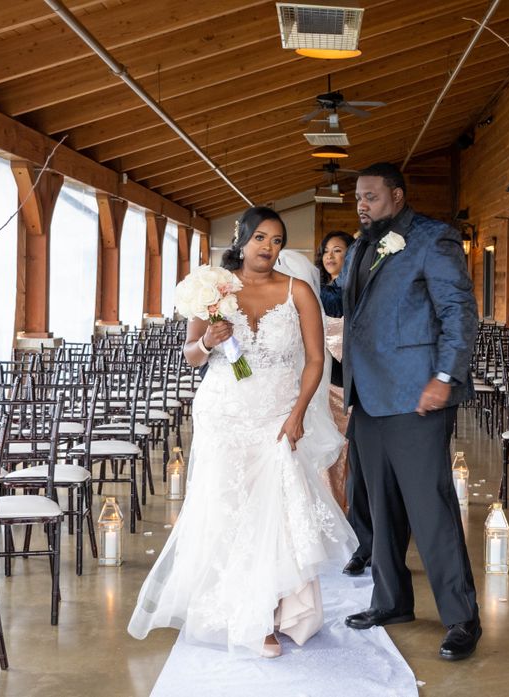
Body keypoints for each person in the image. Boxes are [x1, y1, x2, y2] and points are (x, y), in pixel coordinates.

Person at [129, 206, 356, 658]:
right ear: (243, 239)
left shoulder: (297, 292)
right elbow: (191, 356)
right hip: (224, 412)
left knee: (273, 511)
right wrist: (208, 341)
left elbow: (316, 360)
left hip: (275, 415)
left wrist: (296, 415)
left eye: (276, 241)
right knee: (227, 507)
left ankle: (272, 610)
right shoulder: (215, 288)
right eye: (261, 239)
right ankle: (241, 612)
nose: (268, 248)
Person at [331, 162, 481, 661]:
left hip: (418, 395)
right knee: (379, 507)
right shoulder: (358, 246)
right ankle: (391, 601)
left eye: (371, 196)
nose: (362, 204)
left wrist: (443, 378)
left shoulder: (432, 240)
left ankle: (462, 618)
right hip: (368, 397)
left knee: (430, 508)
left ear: (396, 196)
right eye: (358, 197)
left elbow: (458, 313)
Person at [316, 230, 374, 575]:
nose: (330, 256)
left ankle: (357, 522)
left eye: (338, 250)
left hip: (353, 386)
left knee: (354, 458)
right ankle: (332, 518)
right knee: (329, 456)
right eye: (326, 251)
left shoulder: (359, 293)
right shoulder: (318, 295)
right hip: (326, 385)